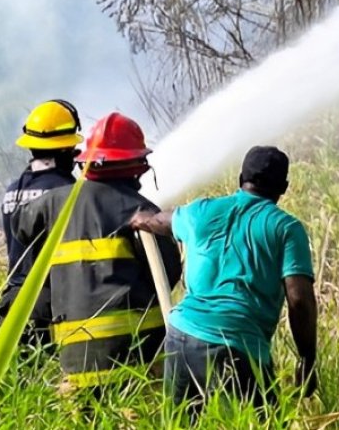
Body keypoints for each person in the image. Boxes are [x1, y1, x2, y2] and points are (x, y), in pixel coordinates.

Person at [129, 145, 318, 415]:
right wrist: (307, 358)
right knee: (266, 421)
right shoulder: (287, 228)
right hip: (240, 345)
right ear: (284, 187)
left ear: (241, 179)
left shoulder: (202, 211)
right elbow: (299, 300)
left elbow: (160, 220)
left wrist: (140, 219)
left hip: (183, 336)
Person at [13, 111, 182, 393]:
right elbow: (167, 275)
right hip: (138, 360)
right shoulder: (143, 212)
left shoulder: (51, 205)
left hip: (75, 363)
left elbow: (21, 225)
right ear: (135, 164)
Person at [0, 99, 82, 348]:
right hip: (50, 306)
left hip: (11, 306)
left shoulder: (12, 191)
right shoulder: (66, 190)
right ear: (65, 150)